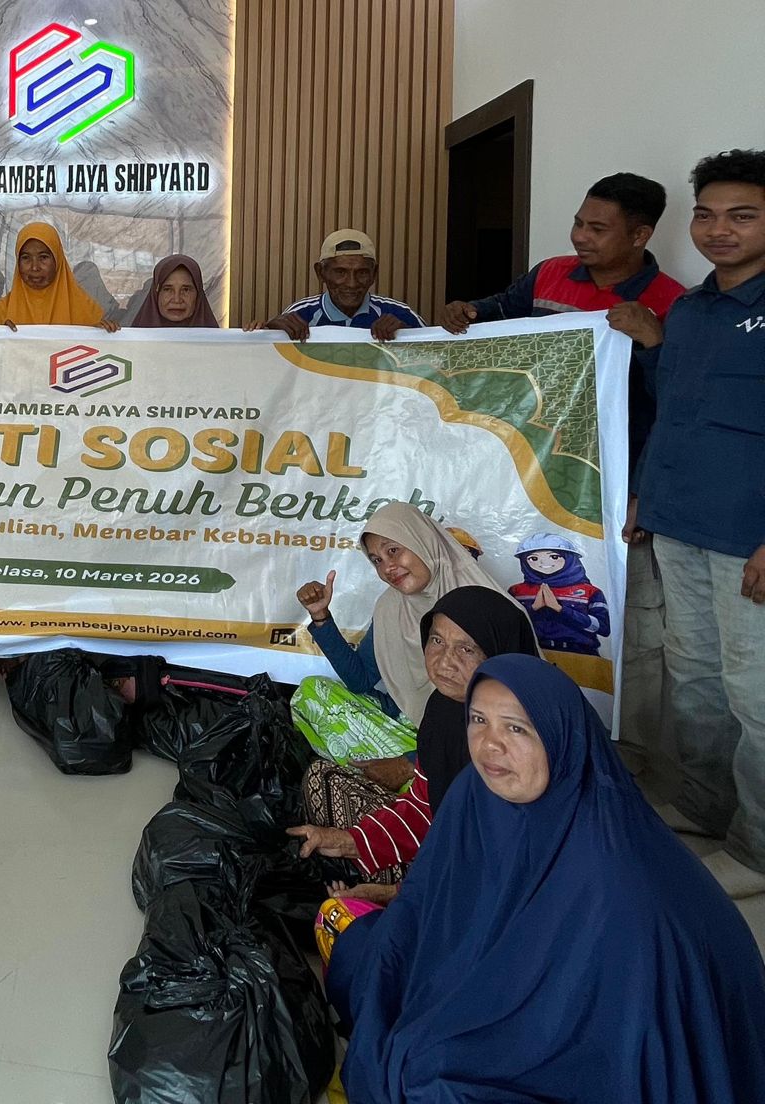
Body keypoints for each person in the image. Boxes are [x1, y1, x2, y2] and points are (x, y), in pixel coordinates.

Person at [323, 655, 765, 1104]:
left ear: (560, 736)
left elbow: (614, 1036)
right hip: (494, 970)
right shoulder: (474, 795)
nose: (490, 745)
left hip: (571, 1028)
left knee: (433, 1073)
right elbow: (430, 898)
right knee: (359, 948)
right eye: (478, 720)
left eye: (516, 728)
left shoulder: (616, 876)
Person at [441, 174, 686, 775]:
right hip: (539, 480)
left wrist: (653, 345)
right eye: (579, 222)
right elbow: (498, 317)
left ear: (640, 235)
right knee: (534, 603)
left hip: (620, 492)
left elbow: (682, 407)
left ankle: (626, 759)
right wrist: (466, 313)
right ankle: (540, 731)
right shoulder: (549, 276)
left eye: (597, 228)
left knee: (625, 625)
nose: (580, 236)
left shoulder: (673, 302)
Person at [618, 149, 765, 898]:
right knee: (696, 677)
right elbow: (674, 413)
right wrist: (645, 497)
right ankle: (706, 809)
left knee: (754, 694)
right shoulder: (691, 310)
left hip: (747, 540)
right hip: (677, 521)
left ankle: (758, 849)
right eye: (706, 215)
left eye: (742, 216)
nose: (718, 230)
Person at [289, 586, 537, 895]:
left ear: (500, 650)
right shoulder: (446, 709)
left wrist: (398, 895)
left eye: (467, 649)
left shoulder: (525, 733)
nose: (444, 662)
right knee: (322, 775)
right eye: (436, 641)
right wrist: (350, 842)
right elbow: (426, 806)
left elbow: (506, 856)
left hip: (526, 894)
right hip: (464, 872)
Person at [290, 502, 507, 768]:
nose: (387, 568)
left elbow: (511, 712)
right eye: (377, 560)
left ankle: (421, 775)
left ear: (423, 542)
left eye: (393, 551)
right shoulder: (390, 607)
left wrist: (410, 762)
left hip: (469, 738)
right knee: (311, 693)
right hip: (407, 725)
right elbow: (360, 680)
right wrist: (321, 616)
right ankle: (408, 776)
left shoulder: (484, 605)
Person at [255, 229, 424, 341]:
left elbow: (435, 361)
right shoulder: (299, 315)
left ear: (374, 274)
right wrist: (267, 333)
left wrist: (408, 335)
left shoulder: (401, 315)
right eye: (340, 272)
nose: (351, 283)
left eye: (362, 272)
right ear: (320, 273)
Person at [0, 222, 119, 331]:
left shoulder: (88, 311)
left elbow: (97, 351)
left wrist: (101, 334)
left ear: (58, 260)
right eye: (26, 258)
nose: (34, 267)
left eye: (43, 257)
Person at [130, 254, 221, 328]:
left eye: (186, 290)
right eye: (168, 289)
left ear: (198, 294)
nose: (177, 300)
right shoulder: (133, 340)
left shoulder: (217, 343)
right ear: (156, 294)